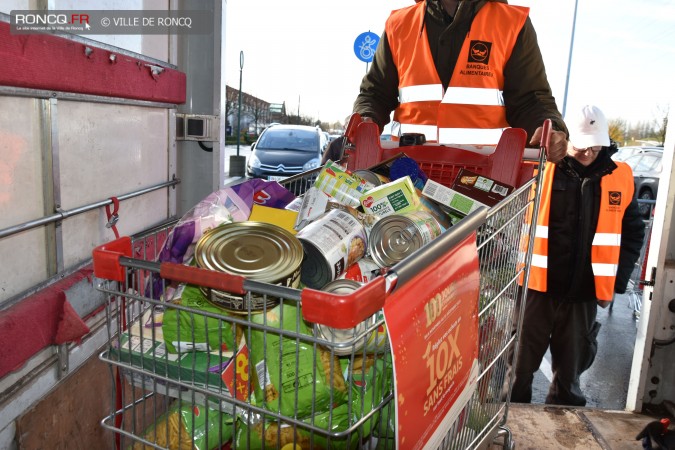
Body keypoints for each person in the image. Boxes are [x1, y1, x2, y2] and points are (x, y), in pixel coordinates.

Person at [510, 105, 646, 406]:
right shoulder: (541, 167)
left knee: (570, 378)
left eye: (595, 148)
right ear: (567, 140)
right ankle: (511, 423)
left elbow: (633, 232)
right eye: (582, 147)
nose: (587, 154)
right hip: (536, 289)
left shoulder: (620, 176)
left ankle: (565, 430)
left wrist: (616, 282)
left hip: (583, 293)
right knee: (517, 370)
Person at [352, 0, 568, 162]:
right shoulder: (399, 24)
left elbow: (531, 100)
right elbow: (375, 94)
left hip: (483, 180)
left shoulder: (511, 23)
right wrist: (365, 119)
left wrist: (549, 129)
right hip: (408, 175)